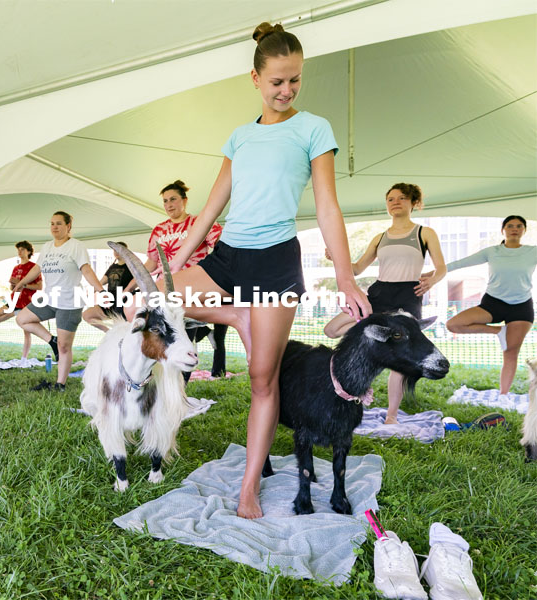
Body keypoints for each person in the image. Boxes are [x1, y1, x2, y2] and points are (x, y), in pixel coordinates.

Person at [159, 23, 370, 518]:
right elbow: (211, 207)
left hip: (275, 262)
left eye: (294, 80)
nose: (286, 90)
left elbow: (326, 207)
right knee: (153, 296)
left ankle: (249, 486)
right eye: (277, 81)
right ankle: (234, 317)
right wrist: (175, 260)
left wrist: (344, 275)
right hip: (229, 254)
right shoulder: (240, 137)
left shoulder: (313, 129)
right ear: (255, 78)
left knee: (261, 378)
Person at [322, 183, 447, 424]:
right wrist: (336, 257)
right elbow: (357, 268)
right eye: (390, 199)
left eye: (401, 198)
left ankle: (391, 416)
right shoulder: (380, 238)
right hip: (379, 294)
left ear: (414, 203)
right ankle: (372, 338)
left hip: (407, 297)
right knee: (331, 330)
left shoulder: (425, 233)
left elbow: (441, 268)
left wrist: (432, 280)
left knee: (401, 364)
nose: (395, 202)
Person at [125, 180, 245, 378]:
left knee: (183, 340)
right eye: (165, 201)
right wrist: (130, 286)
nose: (169, 204)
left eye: (173, 199)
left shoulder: (200, 223)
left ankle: (180, 390)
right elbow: (152, 263)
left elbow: (221, 248)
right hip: (165, 293)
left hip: (195, 287)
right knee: (163, 339)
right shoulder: (158, 231)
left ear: (185, 200)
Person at [444, 215, 536, 397]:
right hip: (493, 303)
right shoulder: (492, 251)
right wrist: (433, 272)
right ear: (503, 230)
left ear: (524, 230)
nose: (514, 229)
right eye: (510, 226)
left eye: (519, 226)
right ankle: (497, 331)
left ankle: (503, 395)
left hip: (521, 306)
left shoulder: (532, 252)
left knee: (510, 352)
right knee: (453, 324)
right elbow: (461, 263)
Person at [13, 211, 104, 391]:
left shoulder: (76, 246)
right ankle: (51, 340)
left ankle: (60, 384)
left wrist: (100, 290)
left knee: (64, 347)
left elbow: (86, 270)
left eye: (59, 223)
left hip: (70, 301)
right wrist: (22, 283)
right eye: (52, 223)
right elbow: (37, 269)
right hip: (49, 299)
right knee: (22, 319)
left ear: (68, 226)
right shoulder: (47, 247)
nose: (54, 227)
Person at [0, 241, 42, 359]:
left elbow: (39, 286)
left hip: (26, 303)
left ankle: (24, 358)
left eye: (22, 249)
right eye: (18, 249)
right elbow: (12, 288)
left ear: (29, 252)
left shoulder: (34, 267)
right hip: (14, 301)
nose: (20, 252)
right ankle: (14, 312)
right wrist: (13, 285)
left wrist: (23, 285)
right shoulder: (16, 268)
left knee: (26, 331)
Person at [82, 241, 134, 332]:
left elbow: (136, 283)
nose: (116, 252)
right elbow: (101, 282)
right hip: (109, 301)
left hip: (123, 302)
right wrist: (91, 291)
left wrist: (127, 291)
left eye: (118, 250)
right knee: (87, 315)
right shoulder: (112, 267)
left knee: (119, 327)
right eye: (114, 250)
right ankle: (109, 332)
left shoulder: (131, 267)